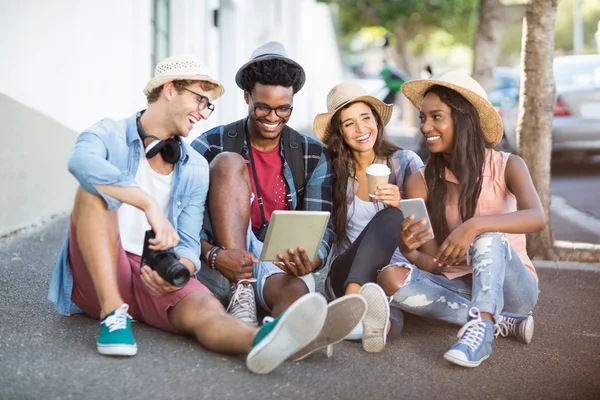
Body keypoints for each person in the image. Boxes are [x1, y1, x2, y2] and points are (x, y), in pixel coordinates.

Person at [47, 54, 342, 375]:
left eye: (208, 106)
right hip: (105, 269)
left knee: (207, 310)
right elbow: (81, 164)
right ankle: (112, 313)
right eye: (200, 101)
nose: (203, 113)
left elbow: (187, 241)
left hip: (158, 270)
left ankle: (265, 339)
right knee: (91, 193)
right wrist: (147, 205)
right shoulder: (110, 134)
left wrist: (183, 267)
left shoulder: (193, 165)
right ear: (170, 89)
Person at [191, 42, 365, 359]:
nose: (273, 118)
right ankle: (247, 296)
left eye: (283, 109)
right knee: (230, 164)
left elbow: (321, 226)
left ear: (292, 103)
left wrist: (310, 260)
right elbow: (183, 225)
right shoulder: (211, 144)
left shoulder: (312, 155)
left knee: (297, 291)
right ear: (246, 97)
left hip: (274, 263)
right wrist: (215, 256)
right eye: (262, 107)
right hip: (218, 265)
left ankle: (276, 334)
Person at [377, 71, 546, 368]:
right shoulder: (422, 181)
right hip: (459, 287)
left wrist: (475, 225)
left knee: (488, 236)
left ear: (463, 119)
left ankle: (480, 333)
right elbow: (434, 262)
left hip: (513, 289)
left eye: (436, 117)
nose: (426, 126)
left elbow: (537, 218)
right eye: (422, 118)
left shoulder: (508, 165)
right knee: (390, 277)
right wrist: (409, 250)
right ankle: (499, 320)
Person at [313, 82, 424, 352]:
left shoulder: (405, 161)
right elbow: (319, 223)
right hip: (345, 272)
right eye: (349, 123)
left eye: (366, 118)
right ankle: (350, 304)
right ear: (340, 132)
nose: (361, 130)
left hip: (391, 275)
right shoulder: (332, 170)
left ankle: (374, 326)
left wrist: (404, 203)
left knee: (388, 311)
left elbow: (426, 226)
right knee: (388, 218)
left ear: (377, 120)